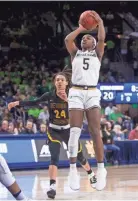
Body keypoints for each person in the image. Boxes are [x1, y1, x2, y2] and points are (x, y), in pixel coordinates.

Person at [8, 68, 97, 199]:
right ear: (55, 83)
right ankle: (52, 187)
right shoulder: (49, 95)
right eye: (57, 80)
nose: (59, 81)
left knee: (80, 157)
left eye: (62, 80)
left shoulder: (72, 95)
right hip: (53, 131)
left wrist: (67, 100)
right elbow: (34, 102)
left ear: (67, 83)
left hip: (68, 131)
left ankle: (90, 173)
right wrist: (17, 103)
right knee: (54, 157)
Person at [64, 10, 107, 191]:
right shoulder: (75, 53)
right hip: (76, 91)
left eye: (88, 38)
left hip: (92, 93)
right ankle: (73, 170)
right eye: (83, 39)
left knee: (95, 131)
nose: (84, 39)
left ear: (95, 43)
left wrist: (100, 23)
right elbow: (68, 40)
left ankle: (101, 169)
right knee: (74, 131)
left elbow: (102, 37)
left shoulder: (97, 53)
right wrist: (81, 28)